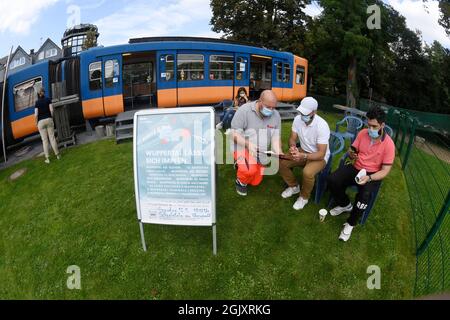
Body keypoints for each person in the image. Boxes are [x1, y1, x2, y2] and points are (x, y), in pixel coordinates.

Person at [327, 106, 395, 242]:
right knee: (333, 180)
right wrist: (352, 154)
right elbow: (353, 150)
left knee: (364, 196)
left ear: (382, 125)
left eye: (374, 126)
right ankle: (345, 204)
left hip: (372, 174)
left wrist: (369, 177)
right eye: (368, 125)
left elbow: (385, 171)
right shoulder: (363, 133)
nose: (370, 129)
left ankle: (350, 223)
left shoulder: (389, 145)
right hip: (356, 167)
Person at [279, 97, 330, 210]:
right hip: (302, 150)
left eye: (305, 113)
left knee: (307, 172)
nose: (302, 115)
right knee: (282, 161)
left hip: (319, 156)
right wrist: (293, 148)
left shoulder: (322, 125)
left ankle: (304, 197)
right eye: (301, 112)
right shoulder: (298, 119)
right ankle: (294, 186)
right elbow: (292, 138)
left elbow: (321, 153)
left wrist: (303, 156)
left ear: (314, 112)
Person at [230, 90, 282, 196]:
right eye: (268, 107)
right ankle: (240, 181)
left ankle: (245, 166)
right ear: (260, 101)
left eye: (274, 107)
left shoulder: (276, 115)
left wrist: (278, 151)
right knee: (249, 171)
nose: (271, 110)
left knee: (255, 182)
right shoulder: (244, 110)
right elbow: (234, 135)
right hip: (242, 148)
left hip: (260, 152)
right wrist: (249, 144)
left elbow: (276, 137)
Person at [34, 88, 60, 164]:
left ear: (38, 94)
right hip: (48, 119)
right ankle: (57, 155)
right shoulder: (48, 99)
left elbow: (36, 115)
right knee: (52, 138)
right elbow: (51, 110)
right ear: (44, 93)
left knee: (44, 141)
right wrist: (51, 117)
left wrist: (36, 123)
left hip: (41, 122)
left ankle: (47, 158)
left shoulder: (37, 102)